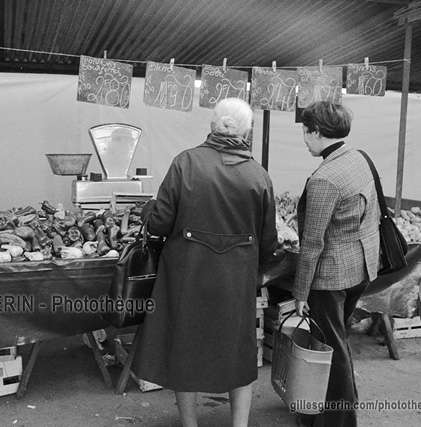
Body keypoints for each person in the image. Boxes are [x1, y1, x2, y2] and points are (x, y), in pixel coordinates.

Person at [131, 97, 278, 427]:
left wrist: (147, 209)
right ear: (247, 131)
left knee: (185, 349)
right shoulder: (259, 176)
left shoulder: (186, 163)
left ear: (213, 124)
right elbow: (269, 242)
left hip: (187, 276)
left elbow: (159, 224)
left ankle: (190, 425)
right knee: (239, 353)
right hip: (237, 281)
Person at [292, 100, 381, 427]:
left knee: (332, 348)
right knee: (338, 339)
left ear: (316, 132)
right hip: (361, 267)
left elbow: (313, 242)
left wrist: (300, 293)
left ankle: (341, 421)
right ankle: (329, 409)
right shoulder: (358, 158)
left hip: (331, 277)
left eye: (305, 131)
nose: (304, 139)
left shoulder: (324, 178)